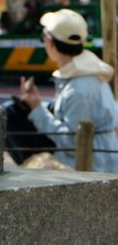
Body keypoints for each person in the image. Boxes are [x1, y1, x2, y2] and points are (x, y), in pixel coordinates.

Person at [17, 9, 118, 172]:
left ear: (50, 42)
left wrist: (37, 109)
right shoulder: (89, 71)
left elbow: (71, 140)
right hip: (104, 162)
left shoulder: (78, 88)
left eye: (44, 37)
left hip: (92, 170)